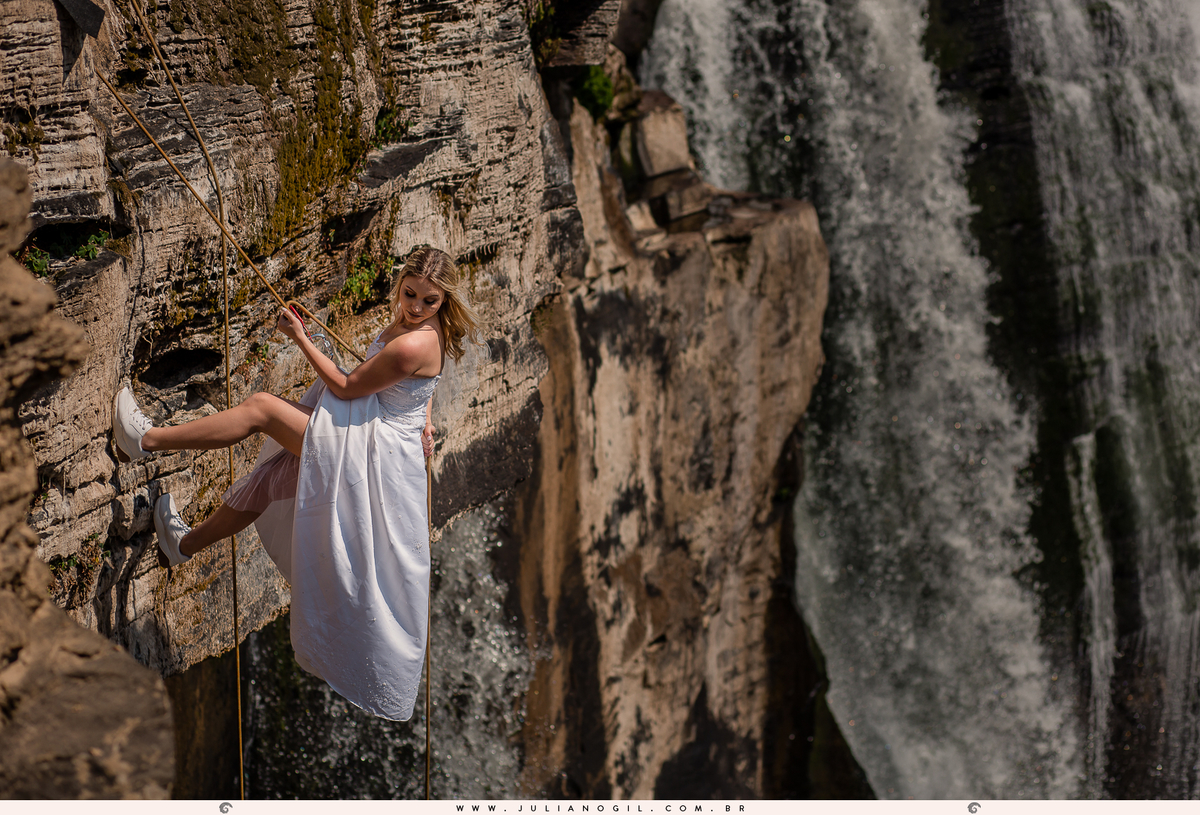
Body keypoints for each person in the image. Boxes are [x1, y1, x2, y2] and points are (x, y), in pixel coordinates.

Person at [111, 246, 480, 720]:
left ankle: (144, 440)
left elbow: (347, 387)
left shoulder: (416, 341)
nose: (415, 307)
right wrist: (424, 421)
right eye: (410, 294)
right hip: (376, 432)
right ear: (401, 283)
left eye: (429, 301)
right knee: (270, 480)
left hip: (372, 450)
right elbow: (423, 389)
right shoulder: (428, 331)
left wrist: (301, 338)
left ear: (442, 302)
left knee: (262, 409)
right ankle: (183, 546)